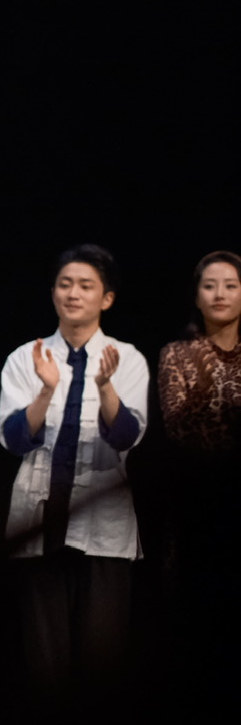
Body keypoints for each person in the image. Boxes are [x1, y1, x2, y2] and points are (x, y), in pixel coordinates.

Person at [0, 245, 149, 725]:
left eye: (86, 285)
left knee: (100, 656)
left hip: (102, 526)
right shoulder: (25, 356)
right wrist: (44, 389)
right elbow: (14, 439)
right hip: (40, 522)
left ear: (106, 298)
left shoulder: (127, 358)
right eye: (65, 283)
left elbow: (128, 436)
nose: (73, 293)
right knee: (45, 659)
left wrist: (106, 386)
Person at [156, 251, 241, 592]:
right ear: (196, 296)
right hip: (196, 502)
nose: (220, 294)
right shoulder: (176, 354)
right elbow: (178, 428)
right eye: (209, 286)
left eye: (230, 285)